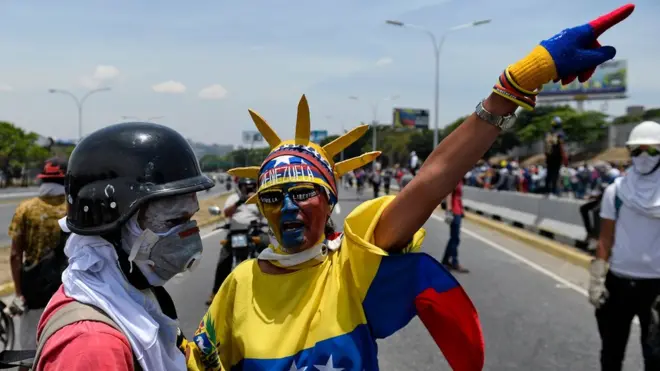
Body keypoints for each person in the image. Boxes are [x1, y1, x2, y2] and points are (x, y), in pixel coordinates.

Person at [181, 7, 633, 369]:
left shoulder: (352, 265)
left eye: (302, 192)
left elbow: (431, 180)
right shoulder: (239, 284)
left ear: (330, 197)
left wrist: (513, 84)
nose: (288, 209)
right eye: (273, 198)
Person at [32, 122, 215, 371]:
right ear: (113, 223)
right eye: (173, 221)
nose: (189, 235)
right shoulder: (95, 347)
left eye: (190, 218)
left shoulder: (131, 297)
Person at [589, 119, 660, 371]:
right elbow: (606, 238)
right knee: (611, 352)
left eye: (652, 150)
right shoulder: (616, 191)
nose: (644, 156)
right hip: (619, 283)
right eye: (637, 150)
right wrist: (597, 276)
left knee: (655, 356)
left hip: (656, 288)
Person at [5, 157, 68, 371]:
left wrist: (19, 292)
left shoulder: (26, 209)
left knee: (27, 357)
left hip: (33, 292)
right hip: (67, 291)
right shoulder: (73, 209)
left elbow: (15, 254)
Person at [206, 177, 263, 305]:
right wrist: (240, 201)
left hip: (255, 231)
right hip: (236, 232)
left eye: (251, 186)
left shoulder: (258, 198)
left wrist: (256, 200)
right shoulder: (233, 198)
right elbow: (226, 213)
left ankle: (273, 285)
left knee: (269, 249)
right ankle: (216, 293)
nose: (248, 189)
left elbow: (266, 214)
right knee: (224, 259)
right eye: (245, 186)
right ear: (240, 186)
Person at [442, 179, 469, 273]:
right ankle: (454, 262)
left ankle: (445, 261)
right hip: (454, 210)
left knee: (453, 238)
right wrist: (449, 210)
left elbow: (459, 197)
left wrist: (462, 210)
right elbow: (449, 194)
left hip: (458, 210)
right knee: (455, 238)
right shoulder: (455, 177)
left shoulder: (460, 179)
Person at [544, 116, 568, 196]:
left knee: (549, 173)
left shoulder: (548, 133)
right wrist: (564, 156)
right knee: (555, 174)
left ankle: (547, 190)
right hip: (557, 157)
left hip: (549, 157)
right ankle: (553, 191)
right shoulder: (560, 133)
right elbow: (562, 146)